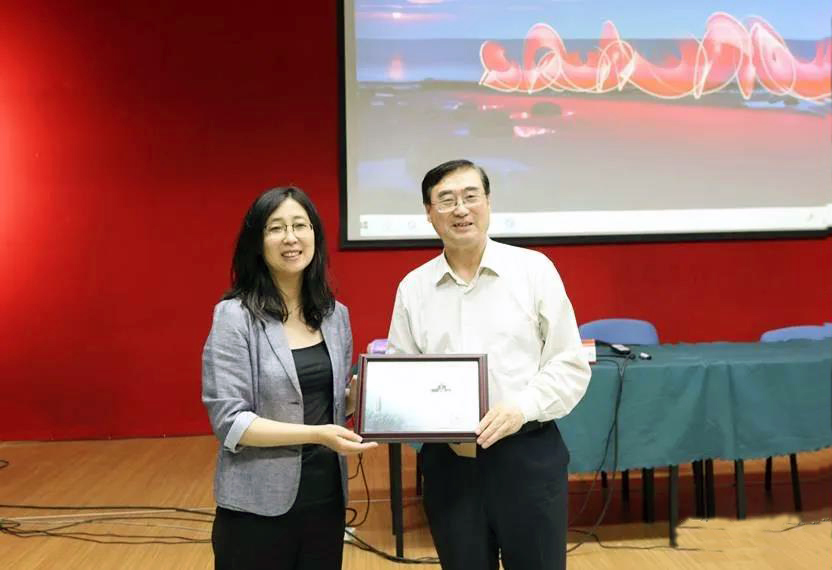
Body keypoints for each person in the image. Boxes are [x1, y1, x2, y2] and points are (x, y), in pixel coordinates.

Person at [387, 160, 591, 570]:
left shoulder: (534, 270)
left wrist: (521, 408)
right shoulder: (413, 288)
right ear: (429, 213)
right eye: (446, 200)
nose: (461, 209)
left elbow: (569, 363)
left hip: (527, 456)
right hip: (450, 466)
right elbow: (400, 372)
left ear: (488, 202)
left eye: (470, 196)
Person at [202, 186, 377, 570]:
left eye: (300, 225)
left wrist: (358, 399)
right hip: (257, 504)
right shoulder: (235, 317)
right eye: (276, 228)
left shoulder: (335, 315)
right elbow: (231, 422)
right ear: (258, 241)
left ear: (315, 234)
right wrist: (317, 434)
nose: (290, 237)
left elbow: (330, 403)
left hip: (326, 498)